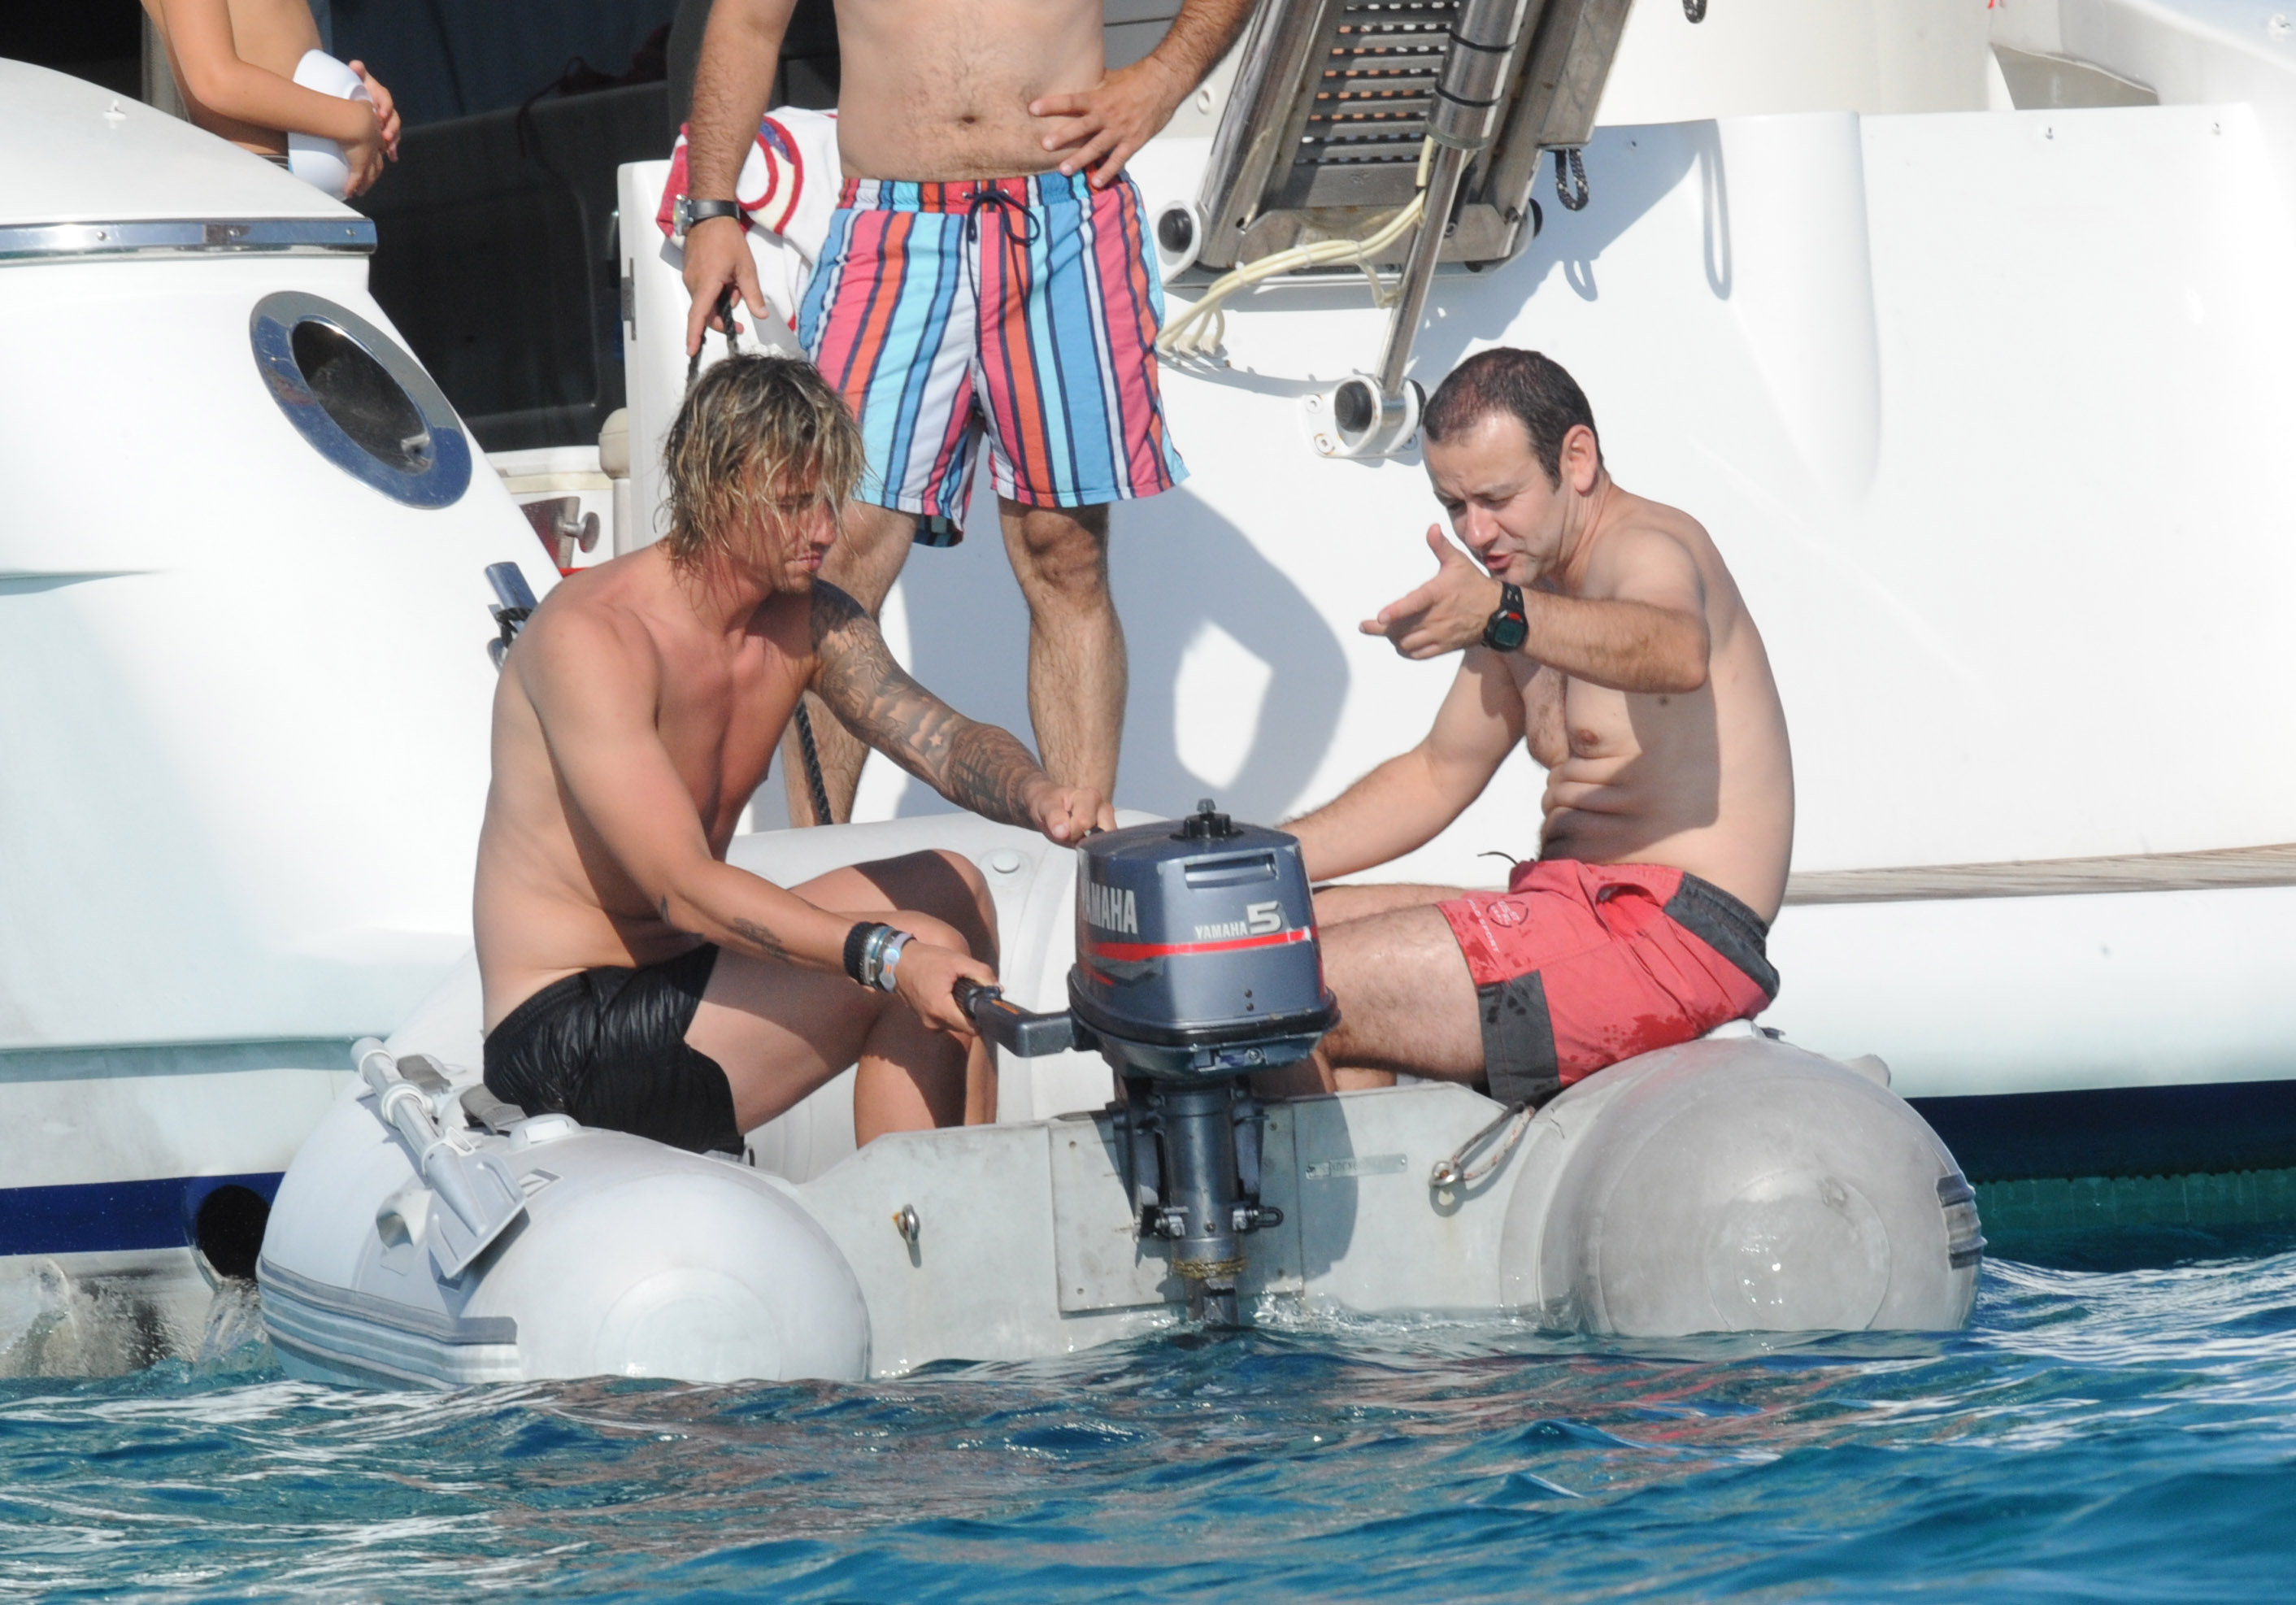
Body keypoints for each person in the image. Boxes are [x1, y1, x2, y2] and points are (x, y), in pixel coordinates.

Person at [476, 354, 1113, 1156]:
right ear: (716, 495)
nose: (823, 531)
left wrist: (1038, 794)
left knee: (951, 886)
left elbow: (942, 740)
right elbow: (683, 892)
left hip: (684, 979)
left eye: (827, 500)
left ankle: (963, 1191)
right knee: (917, 950)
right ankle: (911, 1226)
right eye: (790, 506)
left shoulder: (807, 619)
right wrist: (887, 957)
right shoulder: (594, 638)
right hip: (564, 1039)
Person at [679, 0, 1254, 824]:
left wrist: (1162, 81)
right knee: (832, 555)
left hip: (1067, 217)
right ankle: (816, 862)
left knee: (1064, 550)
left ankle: (1084, 859)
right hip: (890, 228)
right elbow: (746, 22)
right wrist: (711, 209)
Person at [1281, 349, 1796, 1107]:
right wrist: (1255, 860)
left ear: (1576, 459)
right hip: (1570, 908)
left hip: (1677, 936)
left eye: (1497, 498)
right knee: (1262, 936)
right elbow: (1436, 774)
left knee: (1285, 990)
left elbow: (1676, 651)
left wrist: (1502, 615)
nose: (1477, 530)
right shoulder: (1521, 594)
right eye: (1454, 505)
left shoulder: (1646, 546)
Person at [141, 0, 400, 197]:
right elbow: (215, 81)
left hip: (298, 179)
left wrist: (349, 89)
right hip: (254, 181)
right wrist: (351, 119)